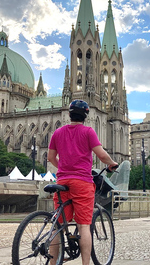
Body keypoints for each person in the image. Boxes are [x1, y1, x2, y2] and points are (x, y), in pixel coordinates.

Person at [47, 99, 118, 265]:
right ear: (85, 116)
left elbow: (50, 157)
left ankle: (53, 262)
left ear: (69, 114)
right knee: (84, 225)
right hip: (82, 182)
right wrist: (112, 163)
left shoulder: (58, 132)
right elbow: (101, 155)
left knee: (58, 224)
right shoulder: (88, 132)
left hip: (63, 180)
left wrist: (63, 168)